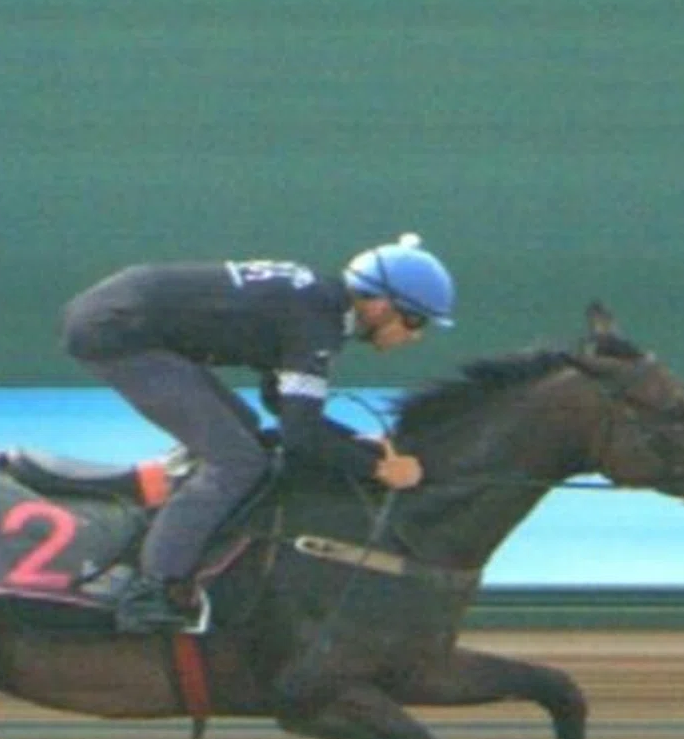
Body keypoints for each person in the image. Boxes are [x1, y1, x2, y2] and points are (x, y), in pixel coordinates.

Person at [61, 233, 454, 634]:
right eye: (414, 320)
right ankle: (150, 591)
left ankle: (178, 523)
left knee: (246, 432)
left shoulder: (318, 304)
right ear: (380, 305)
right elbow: (300, 434)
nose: (415, 335)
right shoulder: (317, 324)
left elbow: (281, 404)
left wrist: (351, 442)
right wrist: (376, 468)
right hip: (117, 331)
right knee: (235, 459)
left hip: (124, 315)